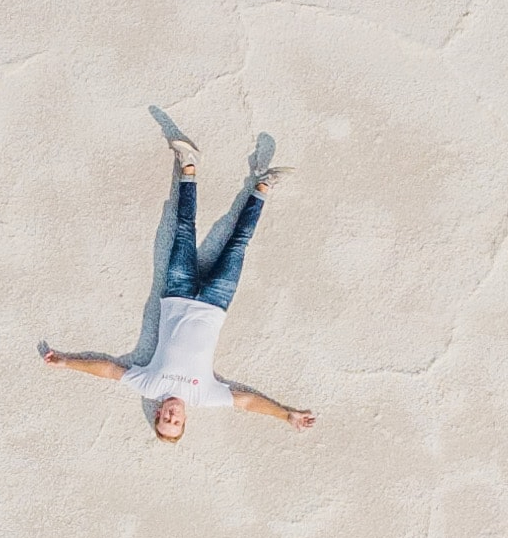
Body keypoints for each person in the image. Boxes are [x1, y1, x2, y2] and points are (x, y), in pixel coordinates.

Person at [41, 134, 316, 442]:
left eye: (165, 420)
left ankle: (188, 165)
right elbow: (246, 402)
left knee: (184, 228)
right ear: (185, 420)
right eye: (176, 423)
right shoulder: (204, 397)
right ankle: (263, 186)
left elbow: (108, 370)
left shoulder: (149, 385)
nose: (172, 416)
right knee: (238, 243)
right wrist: (285, 414)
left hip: (177, 292)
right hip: (217, 301)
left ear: (158, 412)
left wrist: (66, 362)